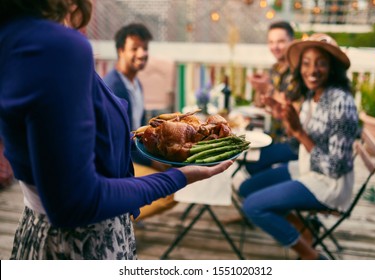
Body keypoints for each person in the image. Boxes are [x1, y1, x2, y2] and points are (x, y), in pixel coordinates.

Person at [0, 0, 233, 260]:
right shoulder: (57, 48)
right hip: (82, 244)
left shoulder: (14, 36)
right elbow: (75, 202)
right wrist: (179, 177)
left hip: (38, 232)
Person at [239, 33, 359, 260]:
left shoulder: (341, 102)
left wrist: (300, 132)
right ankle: (305, 229)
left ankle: (313, 257)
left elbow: (334, 167)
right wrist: (284, 117)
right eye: (306, 63)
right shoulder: (313, 95)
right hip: (306, 167)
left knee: (253, 206)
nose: (312, 70)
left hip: (328, 183)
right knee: (246, 189)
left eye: (321, 63)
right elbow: (297, 143)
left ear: (333, 68)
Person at [103, 23, 176, 221]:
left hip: (138, 153)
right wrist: (151, 160)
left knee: (178, 168)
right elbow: (116, 142)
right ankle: (120, 214)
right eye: (135, 48)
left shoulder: (136, 83)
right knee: (170, 191)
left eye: (145, 48)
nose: (142, 53)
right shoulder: (112, 87)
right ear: (120, 50)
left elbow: (142, 128)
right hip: (122, 162)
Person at [244, 21, 301, 175]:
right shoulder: (275, 69)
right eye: (271, 42)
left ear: (292, 42)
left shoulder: (300, 72)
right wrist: (259, 89)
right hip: (273, 133)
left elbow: (290, 107)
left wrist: (268, 89)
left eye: (281, 41)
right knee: (246, 153)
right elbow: (261, 104)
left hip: (294, 141)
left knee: (252, 161)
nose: (275, 47)